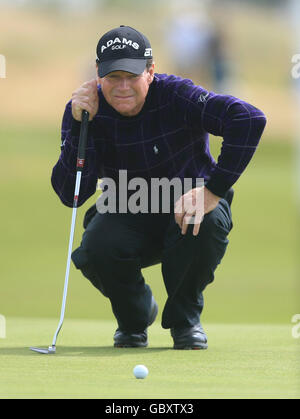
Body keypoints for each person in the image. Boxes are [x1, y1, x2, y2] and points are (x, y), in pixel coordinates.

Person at [51, 25, 266, 350]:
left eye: (132, 76)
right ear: (98, 74)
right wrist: (81, 127)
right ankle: (134, 319)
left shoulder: (178, 95)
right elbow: (72, 195)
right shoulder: (85, 110)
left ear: (150, 71)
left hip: (188, 210)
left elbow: (248, 119)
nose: (122, 87)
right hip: (128, 211)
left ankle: (185, 321)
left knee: (204, 223)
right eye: (113, 77)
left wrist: (213, 191)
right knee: (97, 246)